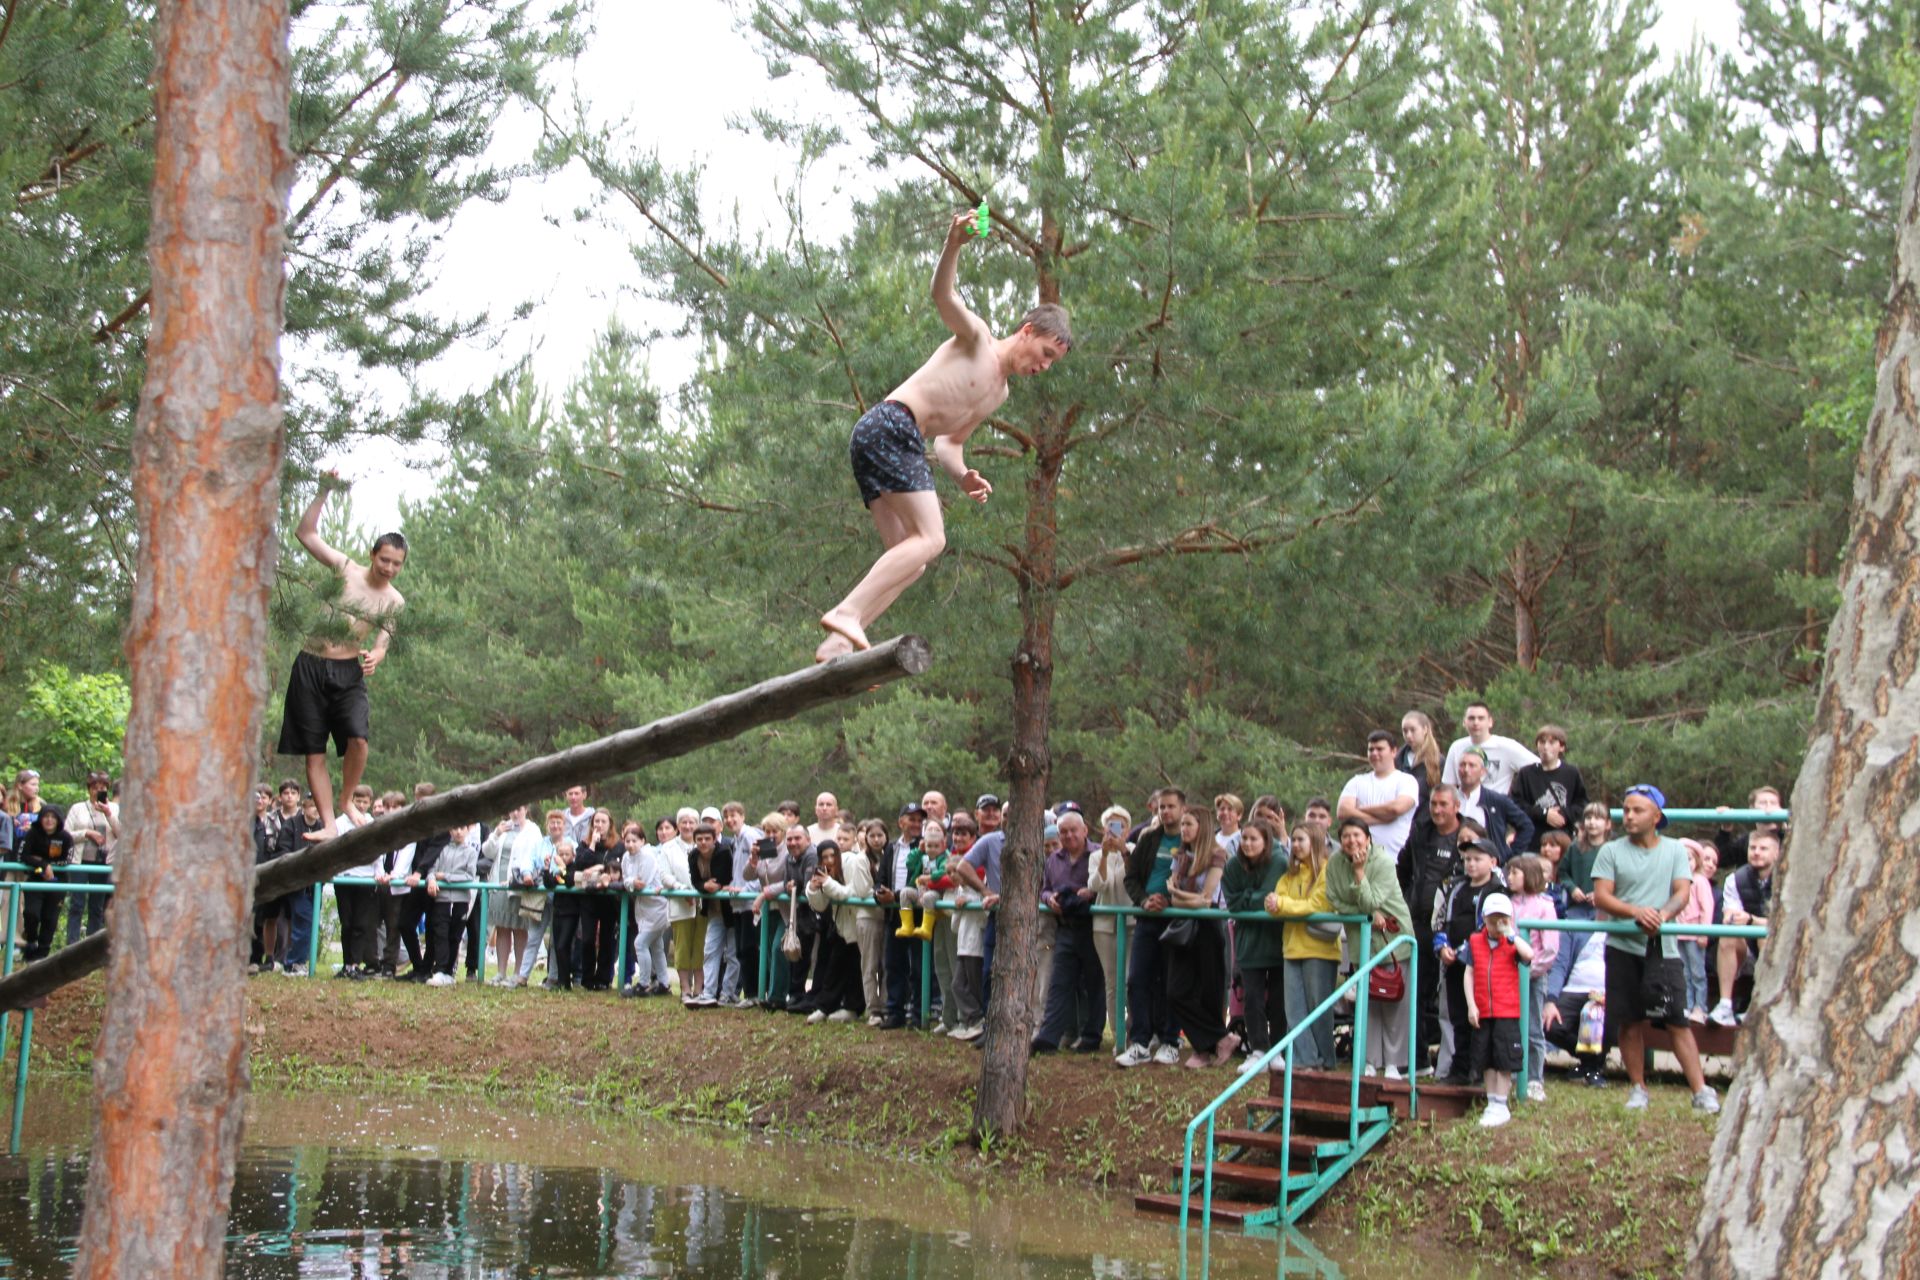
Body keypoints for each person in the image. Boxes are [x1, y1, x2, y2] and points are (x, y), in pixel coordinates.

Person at [814, 213, 1071, 661]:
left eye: (1052, 364)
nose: (1043, 366)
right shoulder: (978, 340)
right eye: (1045, 353)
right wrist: (954, 243)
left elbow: (948, 444)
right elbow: (943, 295)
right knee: (933, 538)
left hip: (881, 438)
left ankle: (838, 642)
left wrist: (964, 476)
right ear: (1027, 332)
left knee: (910, 556)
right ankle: (847, 613)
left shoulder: (999, 392)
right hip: (893, 425)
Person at [279, 471, 406, 840]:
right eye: (384, 560)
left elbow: (385, 639)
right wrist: (324, 490)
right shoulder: (346, 568)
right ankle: (329, 824)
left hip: (348, 671)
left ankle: (348, 799)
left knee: (358, 740)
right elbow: (305, 534)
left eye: (397, 564)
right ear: (373, 555)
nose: (389, 569)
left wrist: (377, 657)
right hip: (310, 665)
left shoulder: (393, 600)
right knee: (313, 751)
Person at [1593, 784, 1719, 1113]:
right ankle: (1638, 1087)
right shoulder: (1610, 851)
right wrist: (1636, 912)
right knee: (1629, 1020)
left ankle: (1701, 1090)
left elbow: (1682, 892)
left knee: (1677, 1019)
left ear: (1656, 816)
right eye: (1626, 810)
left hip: (1663, 949)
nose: (1629, 816)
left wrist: (1661, 915)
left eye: (1637, 810)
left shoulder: (1675, 850)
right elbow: (1603, 895)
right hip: (1622, 945)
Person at [1324, 816, 1415, 1077]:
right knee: (1369, 1003)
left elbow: (1372, 899)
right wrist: (1365, 915)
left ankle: (1394, 1064)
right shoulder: (1334, 863)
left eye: (1357, 835)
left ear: (1368, 838)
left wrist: (1360, 872)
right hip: (1361, 941)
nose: (1351, 841)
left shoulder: (1384, 862)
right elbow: (1335, 899)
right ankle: (1370, 1060)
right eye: (1346, 836)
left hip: (1392, 941)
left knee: (1395, 1001)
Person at [1116, 788, 1189, 1067]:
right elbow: (1131, 877)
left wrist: (1169, 900)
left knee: (1172, 982)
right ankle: (1140, 1042)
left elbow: (1195, 878)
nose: (1166, 812)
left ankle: (1170, 1040)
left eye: (1171, 806)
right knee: (1137, 980)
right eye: (1162, 807)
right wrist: (1145, 900)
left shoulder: (1190, 839)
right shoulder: (1148, 839)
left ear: (1183, 809)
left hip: (1177, 920)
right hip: (1147, 918)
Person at [1162, 804, 1238, 1069]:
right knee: (1176, 991)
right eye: (1182, 824)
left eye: (1189, 824)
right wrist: (1184, 897)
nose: (1183, 829)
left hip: (1207, 928)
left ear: (1201, 827)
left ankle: (1203, 1049)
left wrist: (1181, 895)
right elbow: (1173, 895)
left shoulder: (1218, 855)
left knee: (1209, 990)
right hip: (1182, 926)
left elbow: (1206, 899)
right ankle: (1221, 1038)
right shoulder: (1181, 855)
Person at [1431, 825, 1503, 1084]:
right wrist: (1441, 946)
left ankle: (1480, 1069)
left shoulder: (1497, 891)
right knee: (1458, 1017)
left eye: (1477, 859)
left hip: (1482, 966)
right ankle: (1459, 1068)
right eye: (1467, 859)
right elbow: (1441, 920)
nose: (1470, 864)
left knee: (1480, 1018)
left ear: (1492, 862)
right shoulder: (1456, 887)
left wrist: (1464, 952)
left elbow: (1492, 928)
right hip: (1453, 965)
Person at [1269, 823, 1341, 1070]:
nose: (1296, 845)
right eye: (1295, 840)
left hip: (1319, 950)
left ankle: (1326, 1061)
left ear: (1316, 842)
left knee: (1318, 1008)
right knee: (1295, 1009)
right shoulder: (1290, 874)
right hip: (1292, 948)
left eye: (1301, 840)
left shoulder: (1328, 871)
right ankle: (1304, 1060)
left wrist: (1283, 904)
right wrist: (1278, 904)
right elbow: (1276, 902)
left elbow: (1316, 905)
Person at [1460, 892, 1533, 1128]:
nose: (1496, 926)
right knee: (1485, 1058)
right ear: (1484, 919)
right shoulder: (1474, 941)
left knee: (1504, 1059)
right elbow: (1468, 973)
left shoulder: (1512, 942)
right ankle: (1492, 1100)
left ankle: (1501, 1103)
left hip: (1507, 1010)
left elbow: (1528, 955)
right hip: (1483, 1009)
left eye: (1502, 920)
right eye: (1492, 920)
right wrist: (1471, 1004)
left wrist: (1511, 934)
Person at [1032, 812, 1102, 1053]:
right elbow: (1044, 888)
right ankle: (1048, 1037)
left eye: (1074, 830)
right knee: (1058, 983)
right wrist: (1049, 898)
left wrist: (1089, 893)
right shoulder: (1053, 859)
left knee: (1093, 984)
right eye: (1064, 832)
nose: (1069, 835)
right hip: (1065, 928)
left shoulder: (1098, 854)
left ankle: (1092, 1037)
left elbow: (1106, 884)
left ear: (1085, 830)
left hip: (1092, 927)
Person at [1223, 817, 1287, 1057]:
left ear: (1266, 841)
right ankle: (1259, 1049)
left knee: (1279, 1001)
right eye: (1245, 838)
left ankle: (1279, 1049)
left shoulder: (1279, 861)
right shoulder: (1233, 866)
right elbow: (1233, 903)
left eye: (1254, 839)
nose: (1248, 844)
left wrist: (1247, 898)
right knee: (1252, 998)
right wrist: (1254, 899)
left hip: (1276, 940)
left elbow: (1269, 897)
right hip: (1248, 942)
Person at [1504, 853, 1560, 1101]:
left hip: (1533, 977)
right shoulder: (1507, 904)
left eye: (1515, 872)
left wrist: (1529, 968)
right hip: (1508, 975)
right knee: (1511, 1027)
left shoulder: (1544, 906)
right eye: (1509, 872)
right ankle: (1513, 1074)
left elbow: (1549, 947)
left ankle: (1535, 1078)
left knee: (1533, 1028)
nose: (1510, 877)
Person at [1710, 828, 1777, 1026]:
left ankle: (1759, 1003)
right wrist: (1738, 919)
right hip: (1747, 949)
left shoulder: (1790, 879)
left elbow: (1785, 925)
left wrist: (1751, 920)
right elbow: (1731, 915)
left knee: (1764, 935)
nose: (1756, 852)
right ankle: (1724, 1005)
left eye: (1763, 848)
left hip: (1780, 947)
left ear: (1777, 853)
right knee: (1728, 934)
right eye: (1753, 848)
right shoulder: (1735, 879)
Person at [1337, 731, 1420, 857]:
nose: (1375, 753)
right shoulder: (1357, 781)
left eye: (1380, 749)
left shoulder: (1406, 781)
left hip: (1397, 860)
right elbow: (1343, 812)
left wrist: (1359, 810)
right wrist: (1382, 818)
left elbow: (1395, 809)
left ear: (1393, 752)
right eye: (1371, 750)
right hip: (1362, 860)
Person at [1509, 725, 1589, 854]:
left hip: (1563, 843)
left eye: (1552, 742)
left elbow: (1582, 804)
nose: (1546, 747)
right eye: (1542, 742)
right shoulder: (1526, 774)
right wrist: (1544, 814)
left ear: (1561, 747)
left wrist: (1563, 814)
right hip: (1532, 844)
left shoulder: (1571, 773)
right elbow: (1515, 805)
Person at [482, 807, 539, 986]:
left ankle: (518, 972)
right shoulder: (504, 829)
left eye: (519, 809)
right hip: (498, 884)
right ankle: (501, 971)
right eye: (512, 810)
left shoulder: (532, 830)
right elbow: (487, 852)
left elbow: (533, 856)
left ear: (526, 810)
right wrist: (496, 834)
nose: (515, 813)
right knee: (502, 927)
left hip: (517, 885)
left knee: (519, 928)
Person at [1090, 804, 1132, 1044]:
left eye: (1121, 825)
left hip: (1131, 923)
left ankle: (1134, 1031)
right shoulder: (1096, 855)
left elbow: (1135, 879)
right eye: (1111, 826)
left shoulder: (1134, 850)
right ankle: (1118, 1036)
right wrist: (1105, 855)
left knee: (1130, 980)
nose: (1116, 831)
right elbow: (1097, 885)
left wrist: (1123, 851)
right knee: (1112, 982)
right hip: (1105, 926)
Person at [621, 821, 674, 997]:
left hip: (657, 908)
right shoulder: (626, 858)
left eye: (634, 840)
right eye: (627, 841)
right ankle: (664, 983)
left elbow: (641, 883)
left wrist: (631, 882)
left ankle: (643, 984)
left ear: (642, 841)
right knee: (657, 946)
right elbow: (627, 880)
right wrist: (630, 882)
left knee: (640, 943)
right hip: (642, 909)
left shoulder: (649, 856)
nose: (630, 845)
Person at [333, 784, 381, 977]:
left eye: (365, 801)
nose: (361, 805)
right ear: (351, 801)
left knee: (361, 924)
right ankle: (346, 964)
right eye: (358, 801)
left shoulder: (372, 823)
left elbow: (378, 851)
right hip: (344, 878)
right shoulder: (340, 823)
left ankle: (355, 964)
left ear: (370, 803)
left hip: (366, 879)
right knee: (347, 922)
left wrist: (378, 872)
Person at [1440, 702, 1539, 795]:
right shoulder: (1456, 747)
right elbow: (1449, 785)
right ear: (1464, 722)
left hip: (1495, 809)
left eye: (1481, 718)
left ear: (1490, 722)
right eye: (1471, 718)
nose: (1476, 722)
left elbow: (1540, 768)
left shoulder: (1506, 746)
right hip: (1463, 810)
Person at [64, 770, 117, 940]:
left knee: (97, 906)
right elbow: (65, 834)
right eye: (95, 788)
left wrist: (108, 814)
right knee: (77, 904)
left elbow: (122, 833)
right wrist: (86, 833)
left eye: (102, 788)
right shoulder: (77, 808)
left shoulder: (114, 808)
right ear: (89, 789)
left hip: (103, 862)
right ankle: (72, 944)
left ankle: (91, 946)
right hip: (79, 861)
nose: (98, 791)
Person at [1453, 748, 1533, 858]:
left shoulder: (1497, 801)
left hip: (1488, 866)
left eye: (1472, 765)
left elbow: (1526, 826)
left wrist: (1508, 855)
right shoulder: (1449, 799)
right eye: (1462, 765)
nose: (1466, 769)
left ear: (1483, 771)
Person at [424, 822, 478, 986]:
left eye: (462, 828)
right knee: (440, 933)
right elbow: (431, 870)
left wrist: (445, 876)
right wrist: (432, 880)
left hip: (461, 900)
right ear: (450, 830)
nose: (458, 832)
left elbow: (469, 876)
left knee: (455, 936)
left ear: (468, 830)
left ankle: (449, 971)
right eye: (455, 828)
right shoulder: (443, 849)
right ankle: (440, 969)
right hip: (442, 900)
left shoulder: (471, 852)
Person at [18, 805, 70, 962]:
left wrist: (45, 863)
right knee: (31, 913)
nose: (49, 820)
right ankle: (30, 942)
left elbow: (67, 859)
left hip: (58, 882)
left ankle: (42, 954)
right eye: (46, 816)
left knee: (50, 918)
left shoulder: (65, 837)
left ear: (58, 820)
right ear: (40, 818)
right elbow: (23, 856)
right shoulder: (32, 833)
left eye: (53, 817)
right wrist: (43, 865)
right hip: (35, 878)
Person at [1676, 840, 1718, 1025]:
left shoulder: (1700, 882)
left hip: (1694, 934)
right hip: (1679, 933)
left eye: (1690, 859)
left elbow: (1707, 908)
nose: (1686, 863)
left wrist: (1703, 932)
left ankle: (1701, 1007)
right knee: (1684, 971)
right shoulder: (1676, 882)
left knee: (1697, 972)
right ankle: (1688, 1004)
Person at [1713, 786, 1786, 873]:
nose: (1768, 806)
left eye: (1773, 803)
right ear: (1752, 808)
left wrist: (1783, 827)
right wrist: (1725, 829)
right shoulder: (1745, 841)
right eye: (1763, 803)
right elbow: (1720, 861)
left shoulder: (1791, 837)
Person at [1397, 710, 1442, 818]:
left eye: (1413, 730)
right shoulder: (1397, 760)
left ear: (1425, 729)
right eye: (1405, 731)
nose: (1408, 735)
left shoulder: (1438, 760)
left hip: (1426, 821)